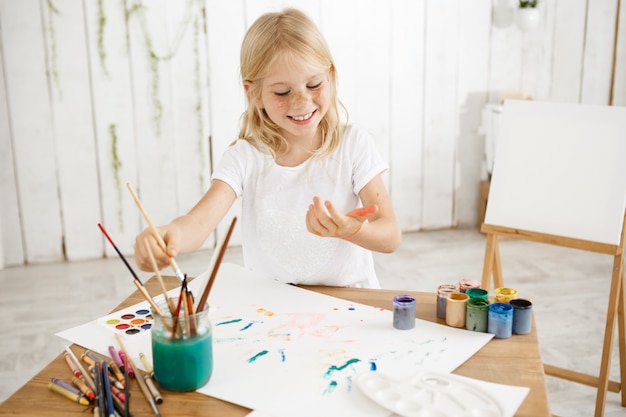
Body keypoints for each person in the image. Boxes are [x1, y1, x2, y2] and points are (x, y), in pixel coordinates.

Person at [134, 8, 401, 288]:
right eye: (282, 92)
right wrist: (170, 234)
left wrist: (351, 230)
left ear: (330, 76)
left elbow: (390, 234)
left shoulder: (354, 145)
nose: (301, 101)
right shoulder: (244, 157)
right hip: (275, 313)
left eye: (313, 84)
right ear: (254, 93)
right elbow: (198, 223)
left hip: (350, 308)